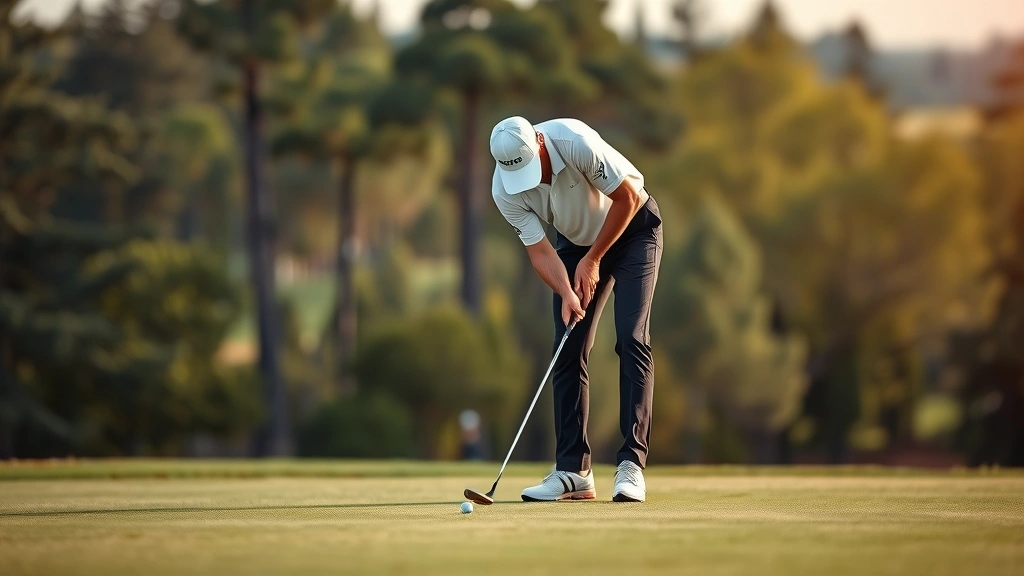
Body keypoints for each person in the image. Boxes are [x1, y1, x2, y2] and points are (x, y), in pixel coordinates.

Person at [489, 116, 663, 502]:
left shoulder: (573, 140)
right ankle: (573, 471)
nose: (529, 182)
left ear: (538, 141)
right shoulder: (504, 190)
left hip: (634, 228)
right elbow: (539, 250)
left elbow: (629, 197)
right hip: (574, 243)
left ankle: (631, 465)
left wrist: (595, 258)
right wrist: (566, 290)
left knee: (631, 338)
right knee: (567, 346)